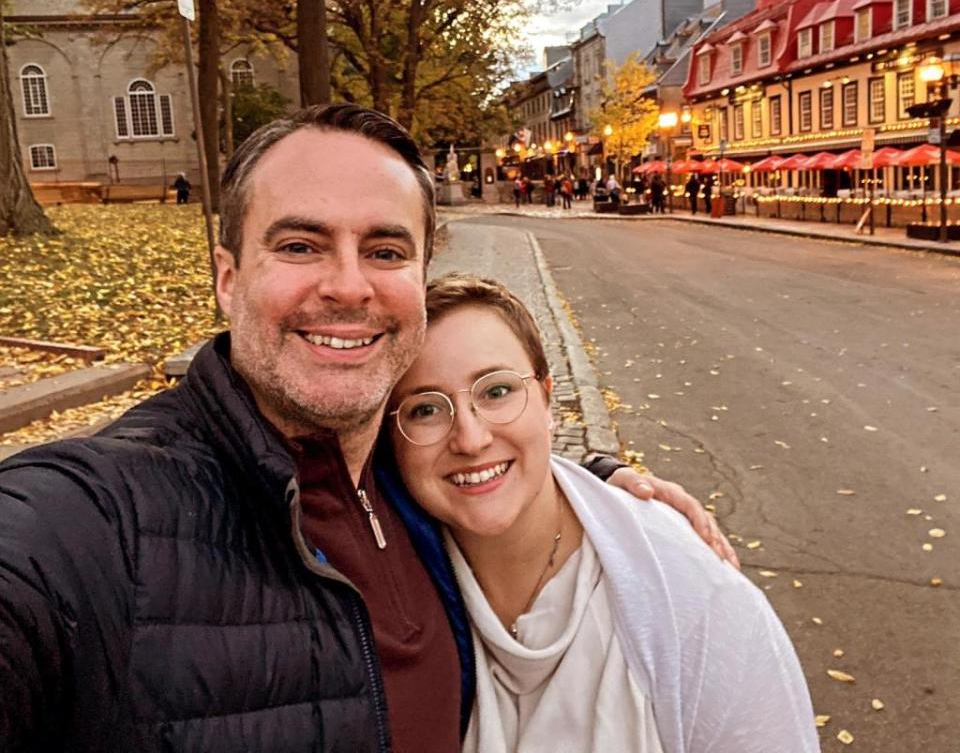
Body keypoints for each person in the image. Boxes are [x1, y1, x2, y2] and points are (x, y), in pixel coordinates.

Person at [0, 104, 731, 753]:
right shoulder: (99, 520)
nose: (348, 285)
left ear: (418, 276)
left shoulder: (403, 470)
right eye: (299, 246)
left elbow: (479, 451)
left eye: (385, 251)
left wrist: (598, 482)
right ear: (227, 278)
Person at [387, 274, 819, 753]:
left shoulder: (689, 597)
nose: (470, 438)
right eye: (425, 409)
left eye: (497, 391)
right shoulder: (380, 581)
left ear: (547, 399)